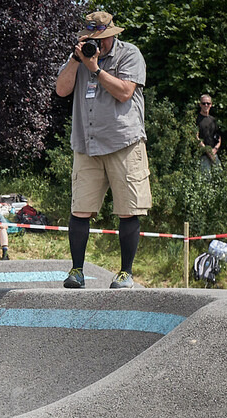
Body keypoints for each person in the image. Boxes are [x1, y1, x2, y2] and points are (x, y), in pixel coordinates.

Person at [55, 11, 151, 290]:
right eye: (92, 39)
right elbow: (62, 90)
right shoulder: (81, 56)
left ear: (112, 34)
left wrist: (96, 68)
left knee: (128, 209)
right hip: (87, 143)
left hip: (124, 142)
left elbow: (124, 92)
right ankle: (76, 271)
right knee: (80, 208)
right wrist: (77, 61)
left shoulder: (129, 54)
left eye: (102, 39)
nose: (98, 44)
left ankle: (125, 272)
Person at [196, 94, 222, 171]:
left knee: (220, 177)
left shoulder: (213, 120)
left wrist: (215, 149)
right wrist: (207, 151)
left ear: (211, 105)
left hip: (214, 154)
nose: (206, 105)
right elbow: (196, 137)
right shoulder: (196, 119)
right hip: (203, 156)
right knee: (206, 180)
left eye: (208, 103)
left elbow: (218, 137)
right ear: (200, 104)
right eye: (204, 103)